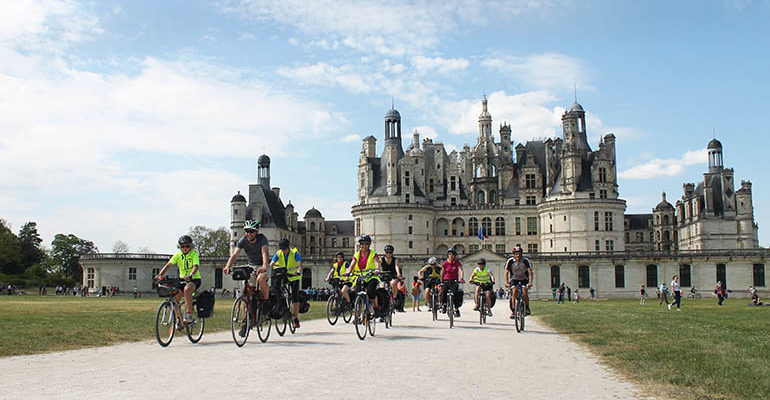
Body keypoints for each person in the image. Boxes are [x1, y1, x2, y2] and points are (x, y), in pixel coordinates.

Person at [155, 235, 202, 325]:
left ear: (190, 246)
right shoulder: (178, 255)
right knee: (175, 298)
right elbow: (168, 265)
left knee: (187, 290)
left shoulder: (194, 254)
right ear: (180, 247)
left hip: (194, 279)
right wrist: (160, 274)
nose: (185, 248)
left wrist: (191, 274)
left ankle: (188, 314)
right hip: (181, 280)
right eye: (182, 246)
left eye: (187, 246)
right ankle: (178, 320)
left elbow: (196, 266)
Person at [224, 220, 270, 301]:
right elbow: (234, 255)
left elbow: (264, 253)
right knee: (246, 291)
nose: (249, 234)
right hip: (251, 266)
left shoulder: (262, 239)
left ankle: (266, 300)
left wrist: (264, 266)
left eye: (251, 231)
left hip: (263, 264)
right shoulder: (243, 240)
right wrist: (228, 266)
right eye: (247, 231)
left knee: (260, 279)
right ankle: (246, 312)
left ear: (256, 232)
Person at [270, 238, 303, 329]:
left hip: (294, 276)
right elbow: (272, 263)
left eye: (285, 248)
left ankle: (296, 318)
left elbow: (299, 264)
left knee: (294, 297)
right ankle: (283, 306)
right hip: (284, 275)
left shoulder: (294, 253)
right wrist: (270, 269)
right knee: (277, 290)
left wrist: (299, 271)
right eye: (282, 249)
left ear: (288, 247)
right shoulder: (278, 253)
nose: (283, 250)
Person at [345, 235, 382, 314]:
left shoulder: (373, 254)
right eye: (362, 244)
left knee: (371, 292)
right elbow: (352, 265)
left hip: (372, 276)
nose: (363, 246)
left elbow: (376, 262)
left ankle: (376, 307)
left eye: (366, 244)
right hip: (361, 277)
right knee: (357, 293)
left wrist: (377, 269)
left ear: (369, 245)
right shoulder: (357, 254)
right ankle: (357, 314)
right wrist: (348, 272)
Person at [505, 246, 533, 318]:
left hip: (524, 278)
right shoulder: (510, 261)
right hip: (514, 279)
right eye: (516, 254)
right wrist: (507, 282)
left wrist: (530, 282)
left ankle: (527, 307)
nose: (518, 256)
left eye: (519, 254)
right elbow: (506, 273)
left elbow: (530, 272)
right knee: (514, 291)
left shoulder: (525, 261)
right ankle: (513, 311)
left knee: (524, 291)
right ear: (514, 255)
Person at [440, 248, 464, 317]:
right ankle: (444, 305)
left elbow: (461, 270)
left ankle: (456, 309)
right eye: (449, 254)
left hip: (454, 281)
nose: (451, 256)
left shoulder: (457, 263)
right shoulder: (445, 263)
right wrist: (441, 281)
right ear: (448, 255)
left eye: (453, 254)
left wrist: (462, 278)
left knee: (455, 293)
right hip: (446, 280)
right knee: (443, 291)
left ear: (454, 256)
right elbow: (442, 273)